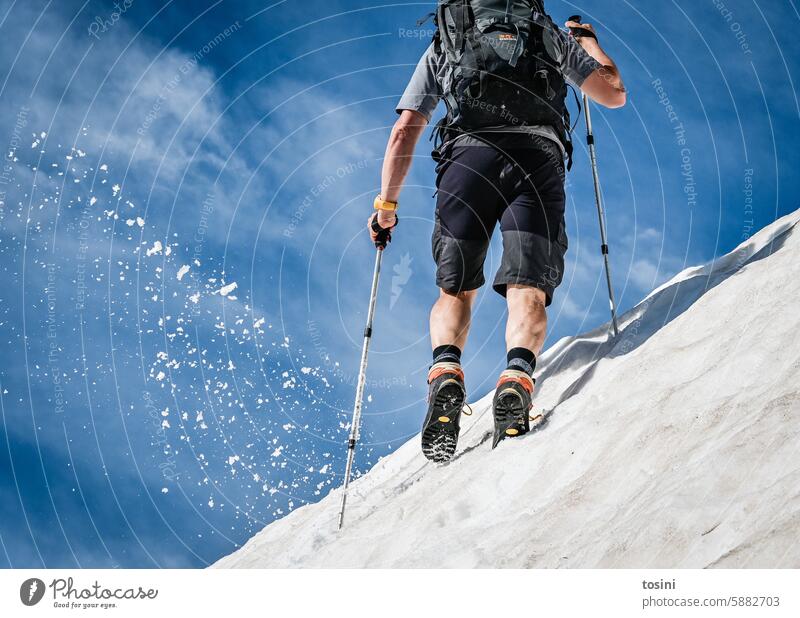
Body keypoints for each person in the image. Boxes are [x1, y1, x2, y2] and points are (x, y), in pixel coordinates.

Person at [367, 2, 626, 461]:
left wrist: (385, 208)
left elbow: (405, 129)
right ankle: (517, 377)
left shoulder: (449, 39)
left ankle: (446, 371)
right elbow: (613, 94)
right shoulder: (548, 35)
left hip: (468, 160)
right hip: (536, 160)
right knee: (528, 289)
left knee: (456, 290)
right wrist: (589, 43)